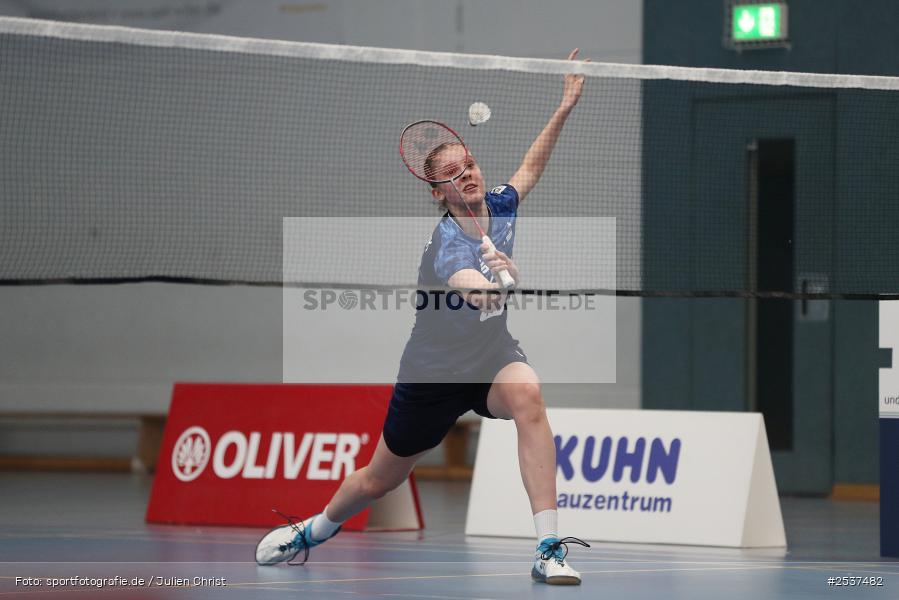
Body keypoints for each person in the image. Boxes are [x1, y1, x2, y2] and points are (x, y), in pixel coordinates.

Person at [257, 49, 589, 585]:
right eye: (453, 175)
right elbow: (472, 291)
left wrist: (565, 105)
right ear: (438, 192)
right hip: (433, 375)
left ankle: (548, 547)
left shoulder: (500, 205)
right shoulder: (446, 244)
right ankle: (313, 530)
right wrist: (498, 280)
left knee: (529, 396)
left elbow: (531, 166)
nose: (468, 177)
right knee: (376, 481)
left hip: (489, 359)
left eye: (471, 165)